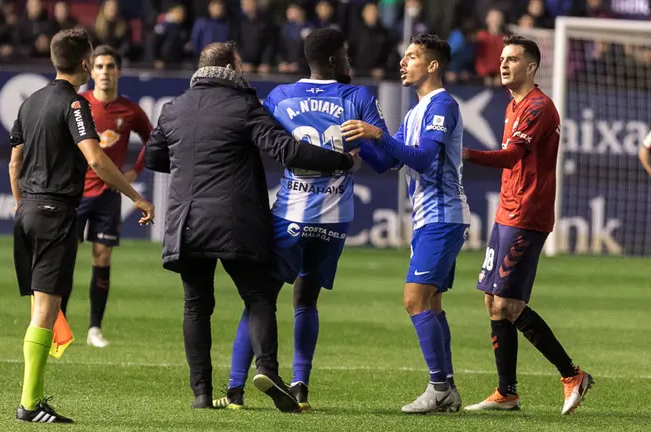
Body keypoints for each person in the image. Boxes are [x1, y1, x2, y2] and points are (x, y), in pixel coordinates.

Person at [143, 41, 359, 412]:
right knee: (258, 297)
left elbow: (153, 157)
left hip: (187, 223)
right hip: (235, 221)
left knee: (196, 306)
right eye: (240, 65)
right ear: (229, 67)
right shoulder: (243, 105)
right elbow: (287, 151)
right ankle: (268, 371)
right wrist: (341, 161)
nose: (243, 71)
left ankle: (201, 395)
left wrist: (191, 165)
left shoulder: (173, 108)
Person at [214, 27, 396, 411]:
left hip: (290, 215)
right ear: (333, 60)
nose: (350, 61)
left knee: (261, 299)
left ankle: (235, 389)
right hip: (335, 218)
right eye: (346, 54)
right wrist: (363, 145)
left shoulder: (280, 97)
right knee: (307, 299)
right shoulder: (358, 97)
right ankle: (300, 386)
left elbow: (256, 144)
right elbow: (385, 162)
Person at [9, 28, 154, 423]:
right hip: (55, 211)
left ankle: (33, 400)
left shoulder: (31, 101)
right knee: (45, 310)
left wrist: (22, 205)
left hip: (28, 211)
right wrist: (136, 196)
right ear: (85, 63)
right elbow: (95, 159)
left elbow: (14, 161)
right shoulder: (75, 104)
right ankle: (30, 405)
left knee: (43, 307)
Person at [462, 35, 594, 415]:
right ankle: (507, 393)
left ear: (532, 67)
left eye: (513, 59)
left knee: (509, 302)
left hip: (527, 214)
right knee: (492, 301)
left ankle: (572, 374)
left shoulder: (538, 107)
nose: (504, 64)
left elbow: (511, 156)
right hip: (506, 212)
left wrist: (465, 153)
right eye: (503, 58)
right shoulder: (513, 105)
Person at [340, 33, 471, 413]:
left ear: (433, 65)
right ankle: (447, 389)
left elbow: (425, 159)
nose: (403, 62)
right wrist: (360, 143)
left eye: (412, 56)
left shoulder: (442, 105)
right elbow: (390, 162)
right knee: (431, 303)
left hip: (442, 215)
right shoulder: (416, 112)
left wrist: (378, 133)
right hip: (429, 218)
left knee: (414, 300)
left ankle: (439, 388)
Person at [58, 44, 154, 348]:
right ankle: (58, 325)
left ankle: (94, 329)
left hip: (109, 195)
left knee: (102, 257)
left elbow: (153, 142)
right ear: (90, 70)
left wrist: (133, 173)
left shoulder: (130, 111)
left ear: (118, 72)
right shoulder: (79, 103)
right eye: (99, 66)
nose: (104, 72)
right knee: (65, 259)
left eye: (110, 66)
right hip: (75, 193)